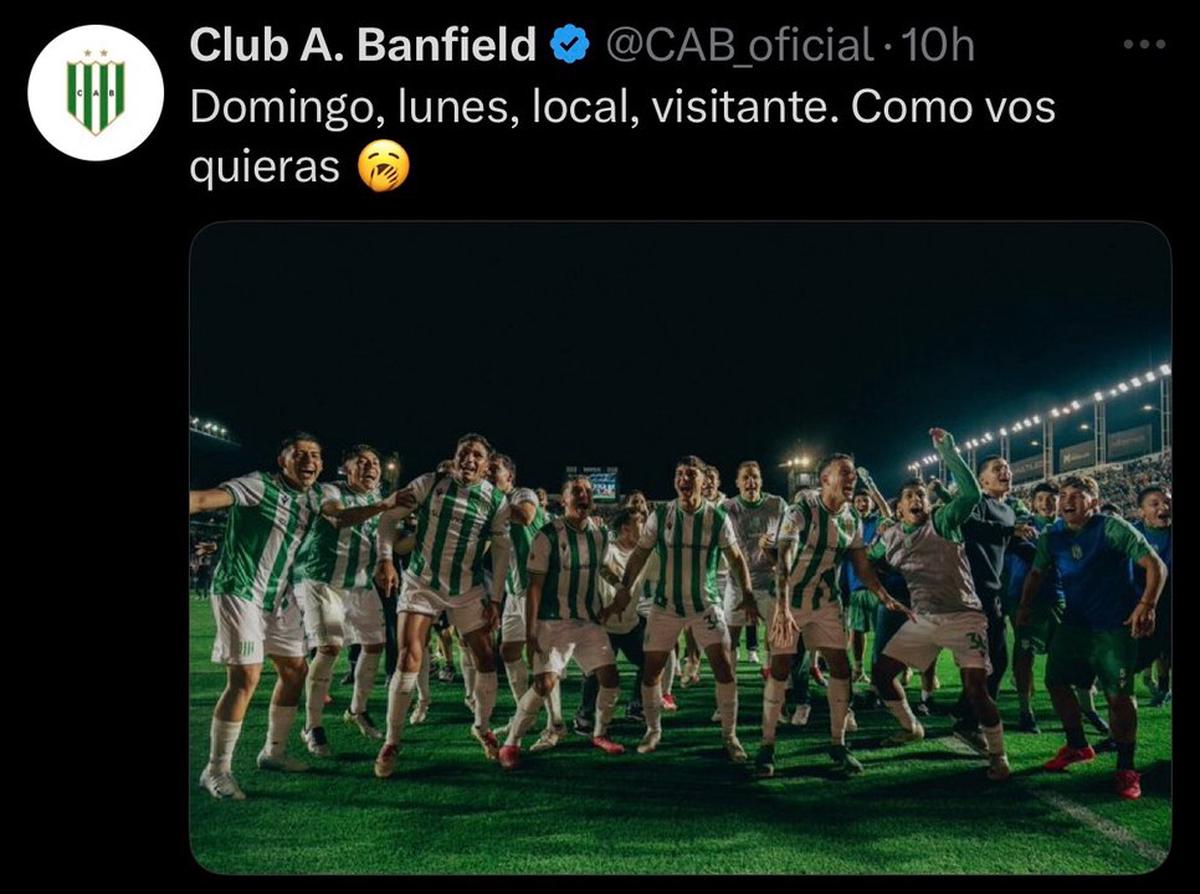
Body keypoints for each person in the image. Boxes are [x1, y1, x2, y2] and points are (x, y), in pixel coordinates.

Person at [869, 429, 1012, 782]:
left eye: (920, 495)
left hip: (964, 616)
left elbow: (973, 493)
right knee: (882, 675)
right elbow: (866, 561)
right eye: (909, 496)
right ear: (899, 505)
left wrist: (948, 451)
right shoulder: (889, 536)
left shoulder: (944, 521)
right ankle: (910, 727)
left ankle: (998, 754)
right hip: (925, 619)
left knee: (977, 690)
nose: (916, 499)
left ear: (928, 502)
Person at [366, 434, 512, 777]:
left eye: (477, 456)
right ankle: (391, 741)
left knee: (486, 658)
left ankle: (481, 725)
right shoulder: (430, 484)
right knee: (408, 657)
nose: (469, 460)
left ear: (487, 464)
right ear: (455, 456)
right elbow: (388, 518)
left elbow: (503, 551)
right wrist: (386, 559)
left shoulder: (496, 501)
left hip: (466, 589)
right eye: (464, 453)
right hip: (422, 584)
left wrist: (496, 598)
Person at [189, 432, 326, 800]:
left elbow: (344, 515)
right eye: (299, 454)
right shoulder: (258, 485)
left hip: (277, 598)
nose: (309, 460)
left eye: (315, 454)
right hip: (240, 590)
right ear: (282, 461)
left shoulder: (314, 498)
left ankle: (274, 752)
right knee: (245, 676)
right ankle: (216, 770)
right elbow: (204, 500)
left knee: (296, 671)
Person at [754, 454, 907, 778]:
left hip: (825, 602)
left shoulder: (850, 517)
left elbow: (862, 565)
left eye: (853, 474)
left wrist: (883, 595)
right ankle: (767, 745)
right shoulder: (801, 510)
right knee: (781, 667)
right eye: (845, 473)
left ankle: (838, 744)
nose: (852, 479)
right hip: (790, 599)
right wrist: (781, 607)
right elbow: (784, 559)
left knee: (839, 665)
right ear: (825, 479)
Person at [1019, 475, 1166, 800]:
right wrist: (1025, 607)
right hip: (1074, 625)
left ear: (1094, 503)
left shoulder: (1111, 528)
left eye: (1077, 495)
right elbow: (1036, 572)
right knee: (1056, 683)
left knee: (1119, 698)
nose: (1066, 500)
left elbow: (1156, 565)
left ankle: (1126, 768)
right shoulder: (1051, 534)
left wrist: (1148, 605)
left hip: (1114, 627)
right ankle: (1077, 745)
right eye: (1063, 495)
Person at [609, 456, 757, 760]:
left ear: (704, 481)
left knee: (725, 668)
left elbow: (737, 558)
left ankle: (730, 736)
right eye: (679, 474)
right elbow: (638, 555)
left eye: (691, 474)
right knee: (651, 671)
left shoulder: (716, 518)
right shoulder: (660, 514)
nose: (684, 479)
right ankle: (653, 730)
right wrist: (624, 589)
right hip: (666, 607)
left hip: (705, 606)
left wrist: (748, 593)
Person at [498, 477, 625, 769]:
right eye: (577, 491)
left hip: (588, 621)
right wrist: (531, 630)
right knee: (544, 683)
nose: (585, 495)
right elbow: (534, 587)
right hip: (553, 622)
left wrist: (620, 584)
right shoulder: (547, 535)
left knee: (610, 678)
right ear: (563, 500)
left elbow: (603, 567)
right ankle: (512, 742)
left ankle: (600, 733)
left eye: (588, 492)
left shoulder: (600, 533)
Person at [292, 445, 389, 756]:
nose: (371, 467)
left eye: (375, 462)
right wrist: (385, 505)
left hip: (360, 583)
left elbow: (394, 541)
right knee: (330, 647)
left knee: (374, 645)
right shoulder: (329, 490)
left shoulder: (377, 498)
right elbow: (338, 519)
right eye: (362, 462)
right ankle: (311, 725)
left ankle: (357, 710)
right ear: (347, 469)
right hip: (322, 579)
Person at [953, 455, 1037, 751]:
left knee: (993, 661)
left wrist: (1045, 551)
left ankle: (967, 715)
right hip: (969, 592)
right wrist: (1009, 532)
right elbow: (969, 526)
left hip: (993, 593)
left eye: (1008, 468)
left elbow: (1013, 545)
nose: (1007, 472)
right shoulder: (975, 501)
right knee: (990, 660)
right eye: (998, 469)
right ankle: (969, 721)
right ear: (982, 479)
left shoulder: (1008, 511)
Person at [574, 507, 651, 732]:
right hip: (603, 625)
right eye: (640, 522)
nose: (645, 526)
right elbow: (600, 566)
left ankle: (636, 706)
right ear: (626, 528)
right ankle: (584, 715)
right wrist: (618, 586)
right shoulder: (608, 549)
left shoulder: (646, 554)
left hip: (630, 623)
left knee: (650, 662)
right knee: (595, 671)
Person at [1005, 482, 1065, 734]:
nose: (1047, 503)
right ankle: (1025, 711)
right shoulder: (1020, 527)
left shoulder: (1066, 528)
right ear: (1032, 503)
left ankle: (1073, 708)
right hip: (1022, 599)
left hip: (1057, 597)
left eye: (1052, 498)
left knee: (1063, 655)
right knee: (1024, 654)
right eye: (1041, 498)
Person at [721, 461, 787, 674]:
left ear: (761, 480)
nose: (751, 482)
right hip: (737, 583)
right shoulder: (727, 508)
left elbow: (791, 544)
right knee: (729, 637)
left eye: (755, 477)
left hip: (769, 583)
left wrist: (772, 550)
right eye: (746, 478)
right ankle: (728, 688)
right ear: (737, 483)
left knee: (774, 635)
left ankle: (771, 678)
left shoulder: (777, 505)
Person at [1133, 485, 1172, 707]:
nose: (1163, 507)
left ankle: (1164, 688)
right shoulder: (1132, 533)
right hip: (1140, 598)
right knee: (1139, 648)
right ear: (1141, 511)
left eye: (1167, 502)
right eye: (1155, 504)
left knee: (1166, 647)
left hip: (1168, 598)